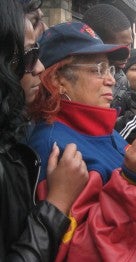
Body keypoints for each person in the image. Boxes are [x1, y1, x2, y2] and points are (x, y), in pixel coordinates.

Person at [28, 21, 136, 261]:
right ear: (58, 78)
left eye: (109, 68)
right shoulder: (54, 148)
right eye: (97, 69)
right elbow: (77, 252)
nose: (110, 79)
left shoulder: (108, 133)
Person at [0, 2, 88, 261]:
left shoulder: (13, 135)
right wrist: (56, 204)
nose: (39, 67)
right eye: (28, 56)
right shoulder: (47, 141)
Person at [82, 3, 133, 114]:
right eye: (121, 48)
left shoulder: (123, 79)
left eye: (129, 46)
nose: (128, 55)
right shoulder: (80, 79)